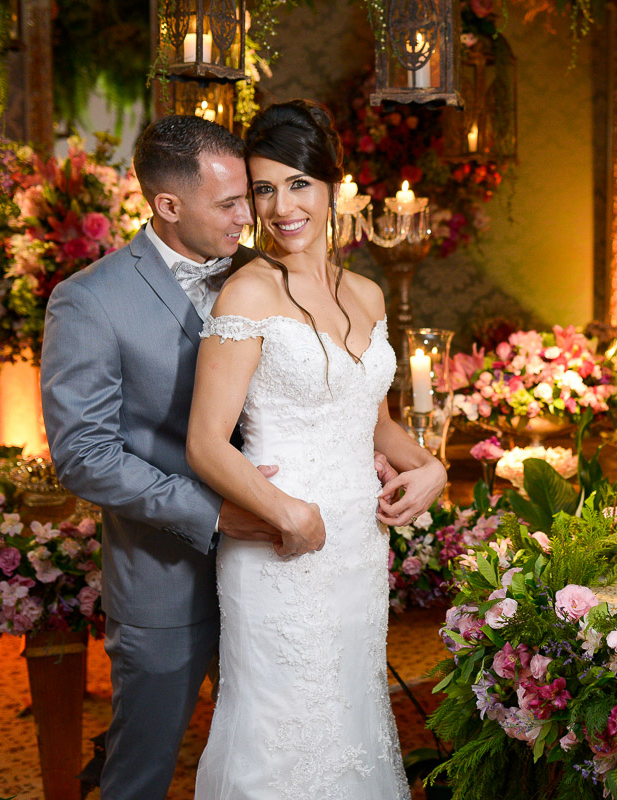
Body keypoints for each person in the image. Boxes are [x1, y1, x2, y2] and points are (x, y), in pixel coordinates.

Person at [40, 116, 398, 799]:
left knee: (288, 747)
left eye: (255, 194)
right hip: (167, 576)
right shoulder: (89, 300)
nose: (255, 214)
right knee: (141, 774)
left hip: (287, 567)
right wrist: (214, 513)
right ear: (168, 205)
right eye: (233, 202)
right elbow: (83, 456)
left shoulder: (264, 275)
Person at [185, 100, 445, 798]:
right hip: (280, 544)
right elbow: (206, 444)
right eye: (264, 189)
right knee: (280, 734)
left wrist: (431, 466)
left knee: (348, 715)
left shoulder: (365, 293)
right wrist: (287, 513)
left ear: (334, 186)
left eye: (298, 183)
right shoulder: (246, 292)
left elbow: (373, 419)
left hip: (358, 546)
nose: (281, 206)